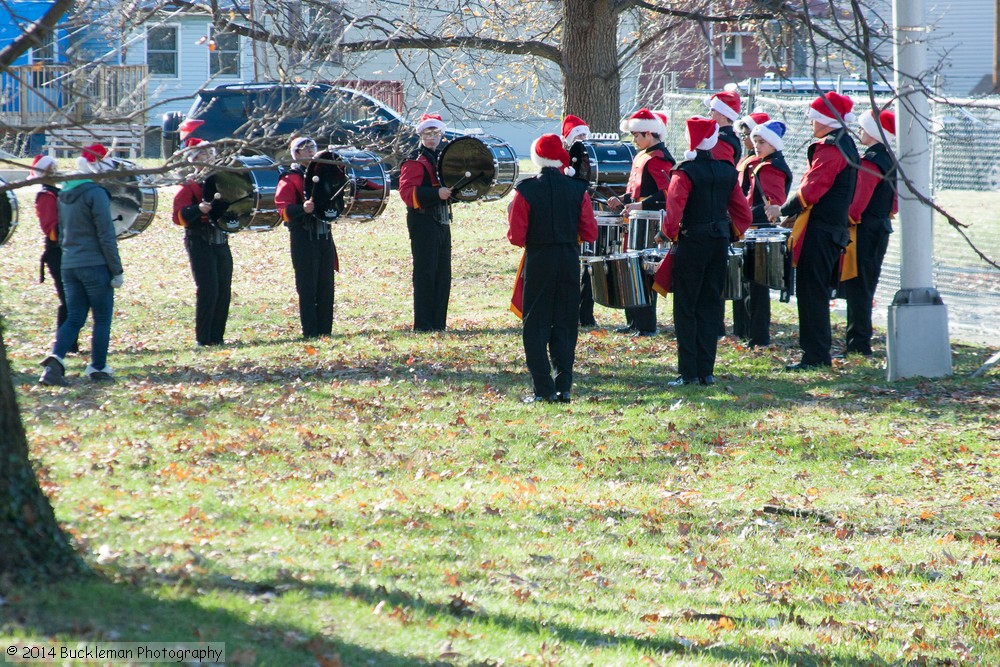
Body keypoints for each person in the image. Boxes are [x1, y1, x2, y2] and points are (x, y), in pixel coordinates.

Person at [507, 134, 598, 403]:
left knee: (535, 324)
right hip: (569, 259)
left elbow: (516, 237)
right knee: (566, 323)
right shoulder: (577, 189)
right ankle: (564, 386)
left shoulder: (525, 190)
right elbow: (590, 232)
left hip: (539, 259)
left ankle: (543, 388)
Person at [662, 117, 752, 386]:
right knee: (711, 305)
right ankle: (707, 371)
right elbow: (743, 215)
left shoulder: (684, 172)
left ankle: (687, 372)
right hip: (719, 242)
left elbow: (672, 215)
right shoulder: (727, 171)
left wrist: (671, 235)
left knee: (686, 306)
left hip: (693, 242)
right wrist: (730, 233)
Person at [777, 91, 859, 370]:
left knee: (812, 295)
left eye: (813, 117)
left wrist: (783, 210)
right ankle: (816, 354)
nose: (810, 122)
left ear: (825, 120)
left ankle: (815, 356)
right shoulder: (844, 145)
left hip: (821, 232)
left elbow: (811, 189)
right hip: (829, 230)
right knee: (816, 294)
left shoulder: (832, 148)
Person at [39, 144, 123, 386]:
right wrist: (116, 270)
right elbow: (106, 235)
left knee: (74, 317)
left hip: (69, 263)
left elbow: (63, 231)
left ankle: (55, 361)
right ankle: (97, 367)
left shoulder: (64, 193)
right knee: (102, 318)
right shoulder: (95, 194)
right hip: (95, 264)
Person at [607, 108, 674, 337]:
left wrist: (639, 206)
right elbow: (636, 192)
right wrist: (621, 199)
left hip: (649, 223)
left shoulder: (660, 159)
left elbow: (667, 194)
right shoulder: (641, 156)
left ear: (650, 133)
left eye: (637, 135)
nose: (634, 140)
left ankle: (647, 325)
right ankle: (634, 321)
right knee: (631, 269)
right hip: (634, 221)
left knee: (644, 272)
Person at [842, 109, 897, 357]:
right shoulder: (889, 158)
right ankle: (860, 340)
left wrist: (845, 220)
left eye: (864, 129)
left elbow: (857, 203)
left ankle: (858, 343)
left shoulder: (870, 161)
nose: (860, 132)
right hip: (881, 226)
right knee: (867, 284)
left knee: (858, 286)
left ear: (874, 132)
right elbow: (894, 202)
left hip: (864, 229)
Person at [734, 120, 793, 347]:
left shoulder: (771, 167)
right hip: (754, 228)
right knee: (750, 285)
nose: (756, 145)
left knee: (757, 286)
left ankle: (758, 337)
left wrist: (743, 213)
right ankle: (750, 333)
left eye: (762, 142)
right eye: (756, 141)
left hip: (761, 232)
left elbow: (773, 204)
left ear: (773, 144)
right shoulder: (764, 163)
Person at [172, 138, 233, 347]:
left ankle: (218, 336)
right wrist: (198, 209)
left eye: (210, 154)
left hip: (220, 240)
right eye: (203, 155)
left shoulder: (220, 181)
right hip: (199, 240)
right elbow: (178, 217)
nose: (209, 158)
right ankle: (203, 337)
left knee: (224, 289)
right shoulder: (188, 185)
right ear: (194, 160)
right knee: (209, 289)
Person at [275, 136, 338, 338]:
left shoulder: (323, 172)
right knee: (308, 287)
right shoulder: (290, 177)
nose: (310, 150)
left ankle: (325, 330)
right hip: (304, 236)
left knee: (326, 286)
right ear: (296, 153)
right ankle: (310, 332)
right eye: (304, 148)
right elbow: (282, 209)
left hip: (324, 235)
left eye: (312, 147)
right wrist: (301, 209)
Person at [399, 113, 453, 332]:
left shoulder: (441, 157)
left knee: (443, 274)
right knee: (425, 273)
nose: (432, 137)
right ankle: (423, 324)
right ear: (420, 134)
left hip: (441, 221)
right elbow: (406, 193)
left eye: (436, 133)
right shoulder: (415, 159)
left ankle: (438, 323)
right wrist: (435, 194)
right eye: (427, 133)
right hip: (422, 220)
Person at [32, 154, 79, 354]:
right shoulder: (46, 196)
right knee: (68, 299)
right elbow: (52, 230)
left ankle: (70, 343)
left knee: (73, 299)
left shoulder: (56, 192)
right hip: (57, 253)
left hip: (67, 250)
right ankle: (65, 343)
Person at [561, 114, 598, 327]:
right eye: (578, 135)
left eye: (585, 134)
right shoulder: (564, 157)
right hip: (570, 219)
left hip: (588, 213)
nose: (582, 138)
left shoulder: (590, 158)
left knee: (590, 266)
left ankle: (586, 313)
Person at [705, 91, 743, 165]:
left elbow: (721, 171)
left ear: (723, 115)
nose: (709, 113)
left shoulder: (720, 140)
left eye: (712, 110)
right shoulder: (731, 136)